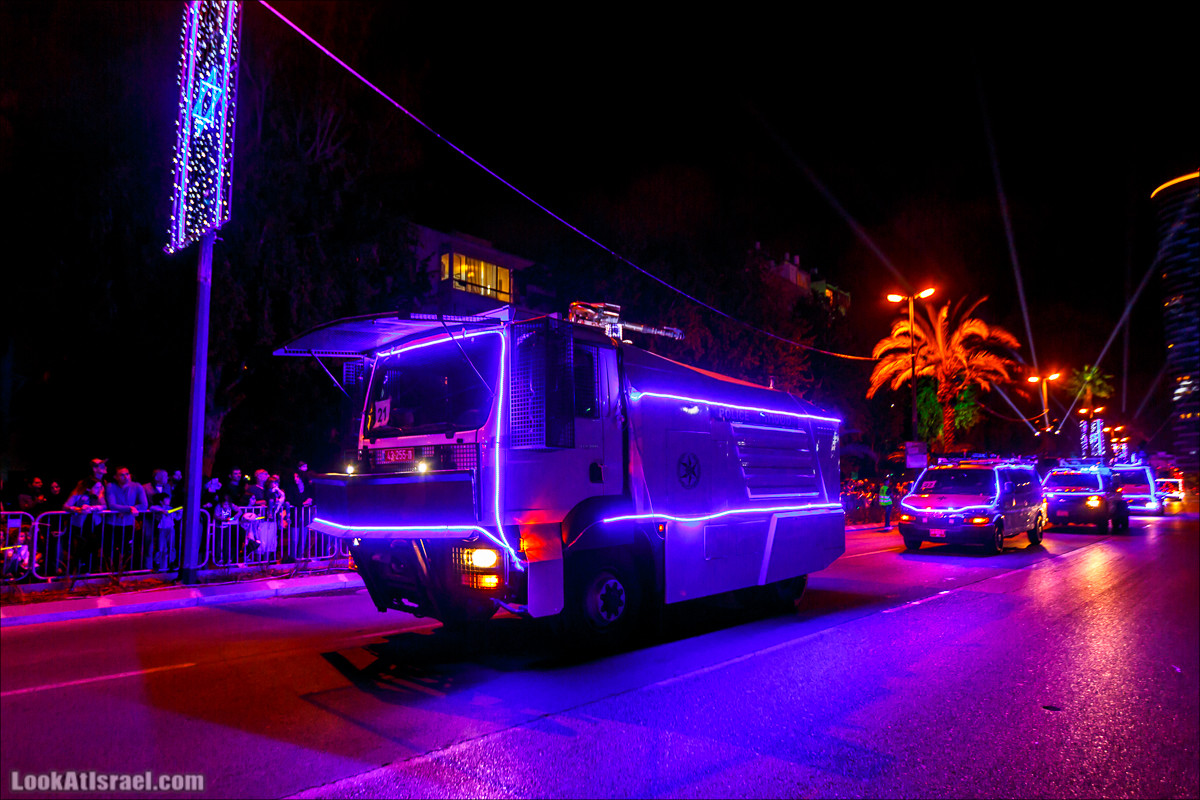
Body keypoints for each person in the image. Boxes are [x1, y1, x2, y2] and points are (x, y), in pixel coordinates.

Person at [106, 467, 148, 571]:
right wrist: (129, 508)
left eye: (127, 474)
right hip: (113, 523)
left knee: (128, 550)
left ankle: (127, 573)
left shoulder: (137, 486)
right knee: (112, 550)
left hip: (129, 523)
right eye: (122, 475)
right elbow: (112, 505)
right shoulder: (111, 486)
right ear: (115, 477)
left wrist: (126, 510)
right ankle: (112, 573)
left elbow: (144, 504)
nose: (126, 477)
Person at [64, 478, 105, 574]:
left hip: (94, 523)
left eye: (100, 487)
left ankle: (92, 568)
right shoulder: (78, 494)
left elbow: (104, 505)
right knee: (82, 545)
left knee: (94, 544)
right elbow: (66, 506)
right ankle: (78, 568)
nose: (99, 489)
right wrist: (78, 509)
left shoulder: (99, 495)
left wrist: (94, 508)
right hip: (79, 524)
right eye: (96, 487)